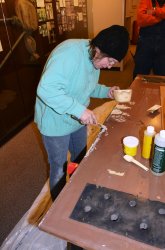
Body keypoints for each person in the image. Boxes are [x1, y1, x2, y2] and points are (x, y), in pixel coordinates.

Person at [34, 25, 129, 201]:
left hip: (76, 118)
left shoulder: (95, 57)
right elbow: (46, 90)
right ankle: (59, 207)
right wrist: (80, 111)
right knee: (59, 168)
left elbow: (86, 86)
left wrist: (106, 92)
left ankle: (77, 192)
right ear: (99, 50)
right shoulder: (69, 54)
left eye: (113, 63)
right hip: (55, 123)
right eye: (109, 62)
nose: (108, 67)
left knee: (80, 157)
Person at [133, 0, 165, 79]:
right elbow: (140, 19)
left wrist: (152, 11)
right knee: (139, 75)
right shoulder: (146, 0)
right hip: (145, 44)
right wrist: (160, 18)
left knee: (162, 77)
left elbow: (147, 14)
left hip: (163, 46)